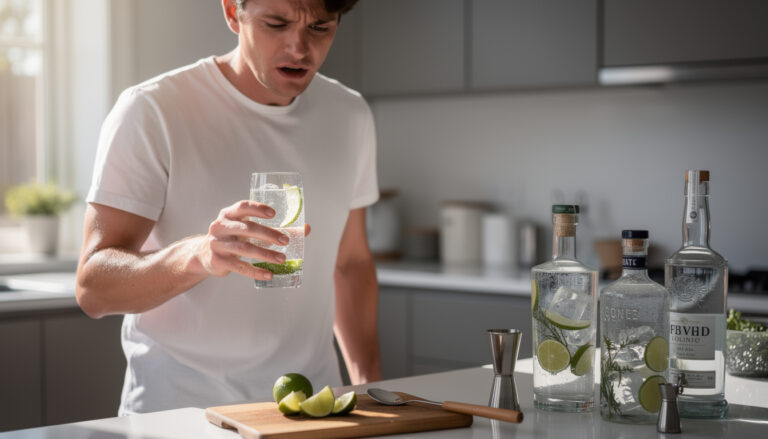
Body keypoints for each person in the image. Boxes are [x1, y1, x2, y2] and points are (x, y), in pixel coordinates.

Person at [75, 0, 381, 415]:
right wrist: (199, 255)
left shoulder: (350, 115)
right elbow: (93, 287)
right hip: (180, 413)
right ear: (233, 13)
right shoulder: (153, 110)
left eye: (320, 28)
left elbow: (351, 262)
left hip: (308, 409)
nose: (299, 47)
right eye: (277, 23)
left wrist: (372, 390)